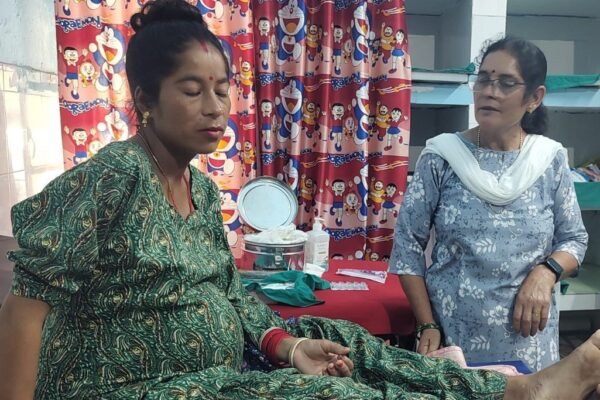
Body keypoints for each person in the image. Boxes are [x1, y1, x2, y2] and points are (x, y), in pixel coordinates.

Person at [0, 3, 599, 398]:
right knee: (322, 394)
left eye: (222, 89)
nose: (215, 107)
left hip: (214, 367)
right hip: (139, 386)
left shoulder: (200, 190)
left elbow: (229, 294)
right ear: (145, 98)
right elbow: (27, 306)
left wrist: (286, 345)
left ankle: (511, 390)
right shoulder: (113, 178)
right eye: (192, 90)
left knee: (343, 339)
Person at [389, 36, 589, 372]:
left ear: (534, 98)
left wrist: (546, 272)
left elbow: (574, 239)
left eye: (506, 83)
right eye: (483, 79)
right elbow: (407, 247)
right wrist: (427, 323)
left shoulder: (548, 159)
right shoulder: (442, 157)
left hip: (529, 342)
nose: (489, 92)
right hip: (452, 339)